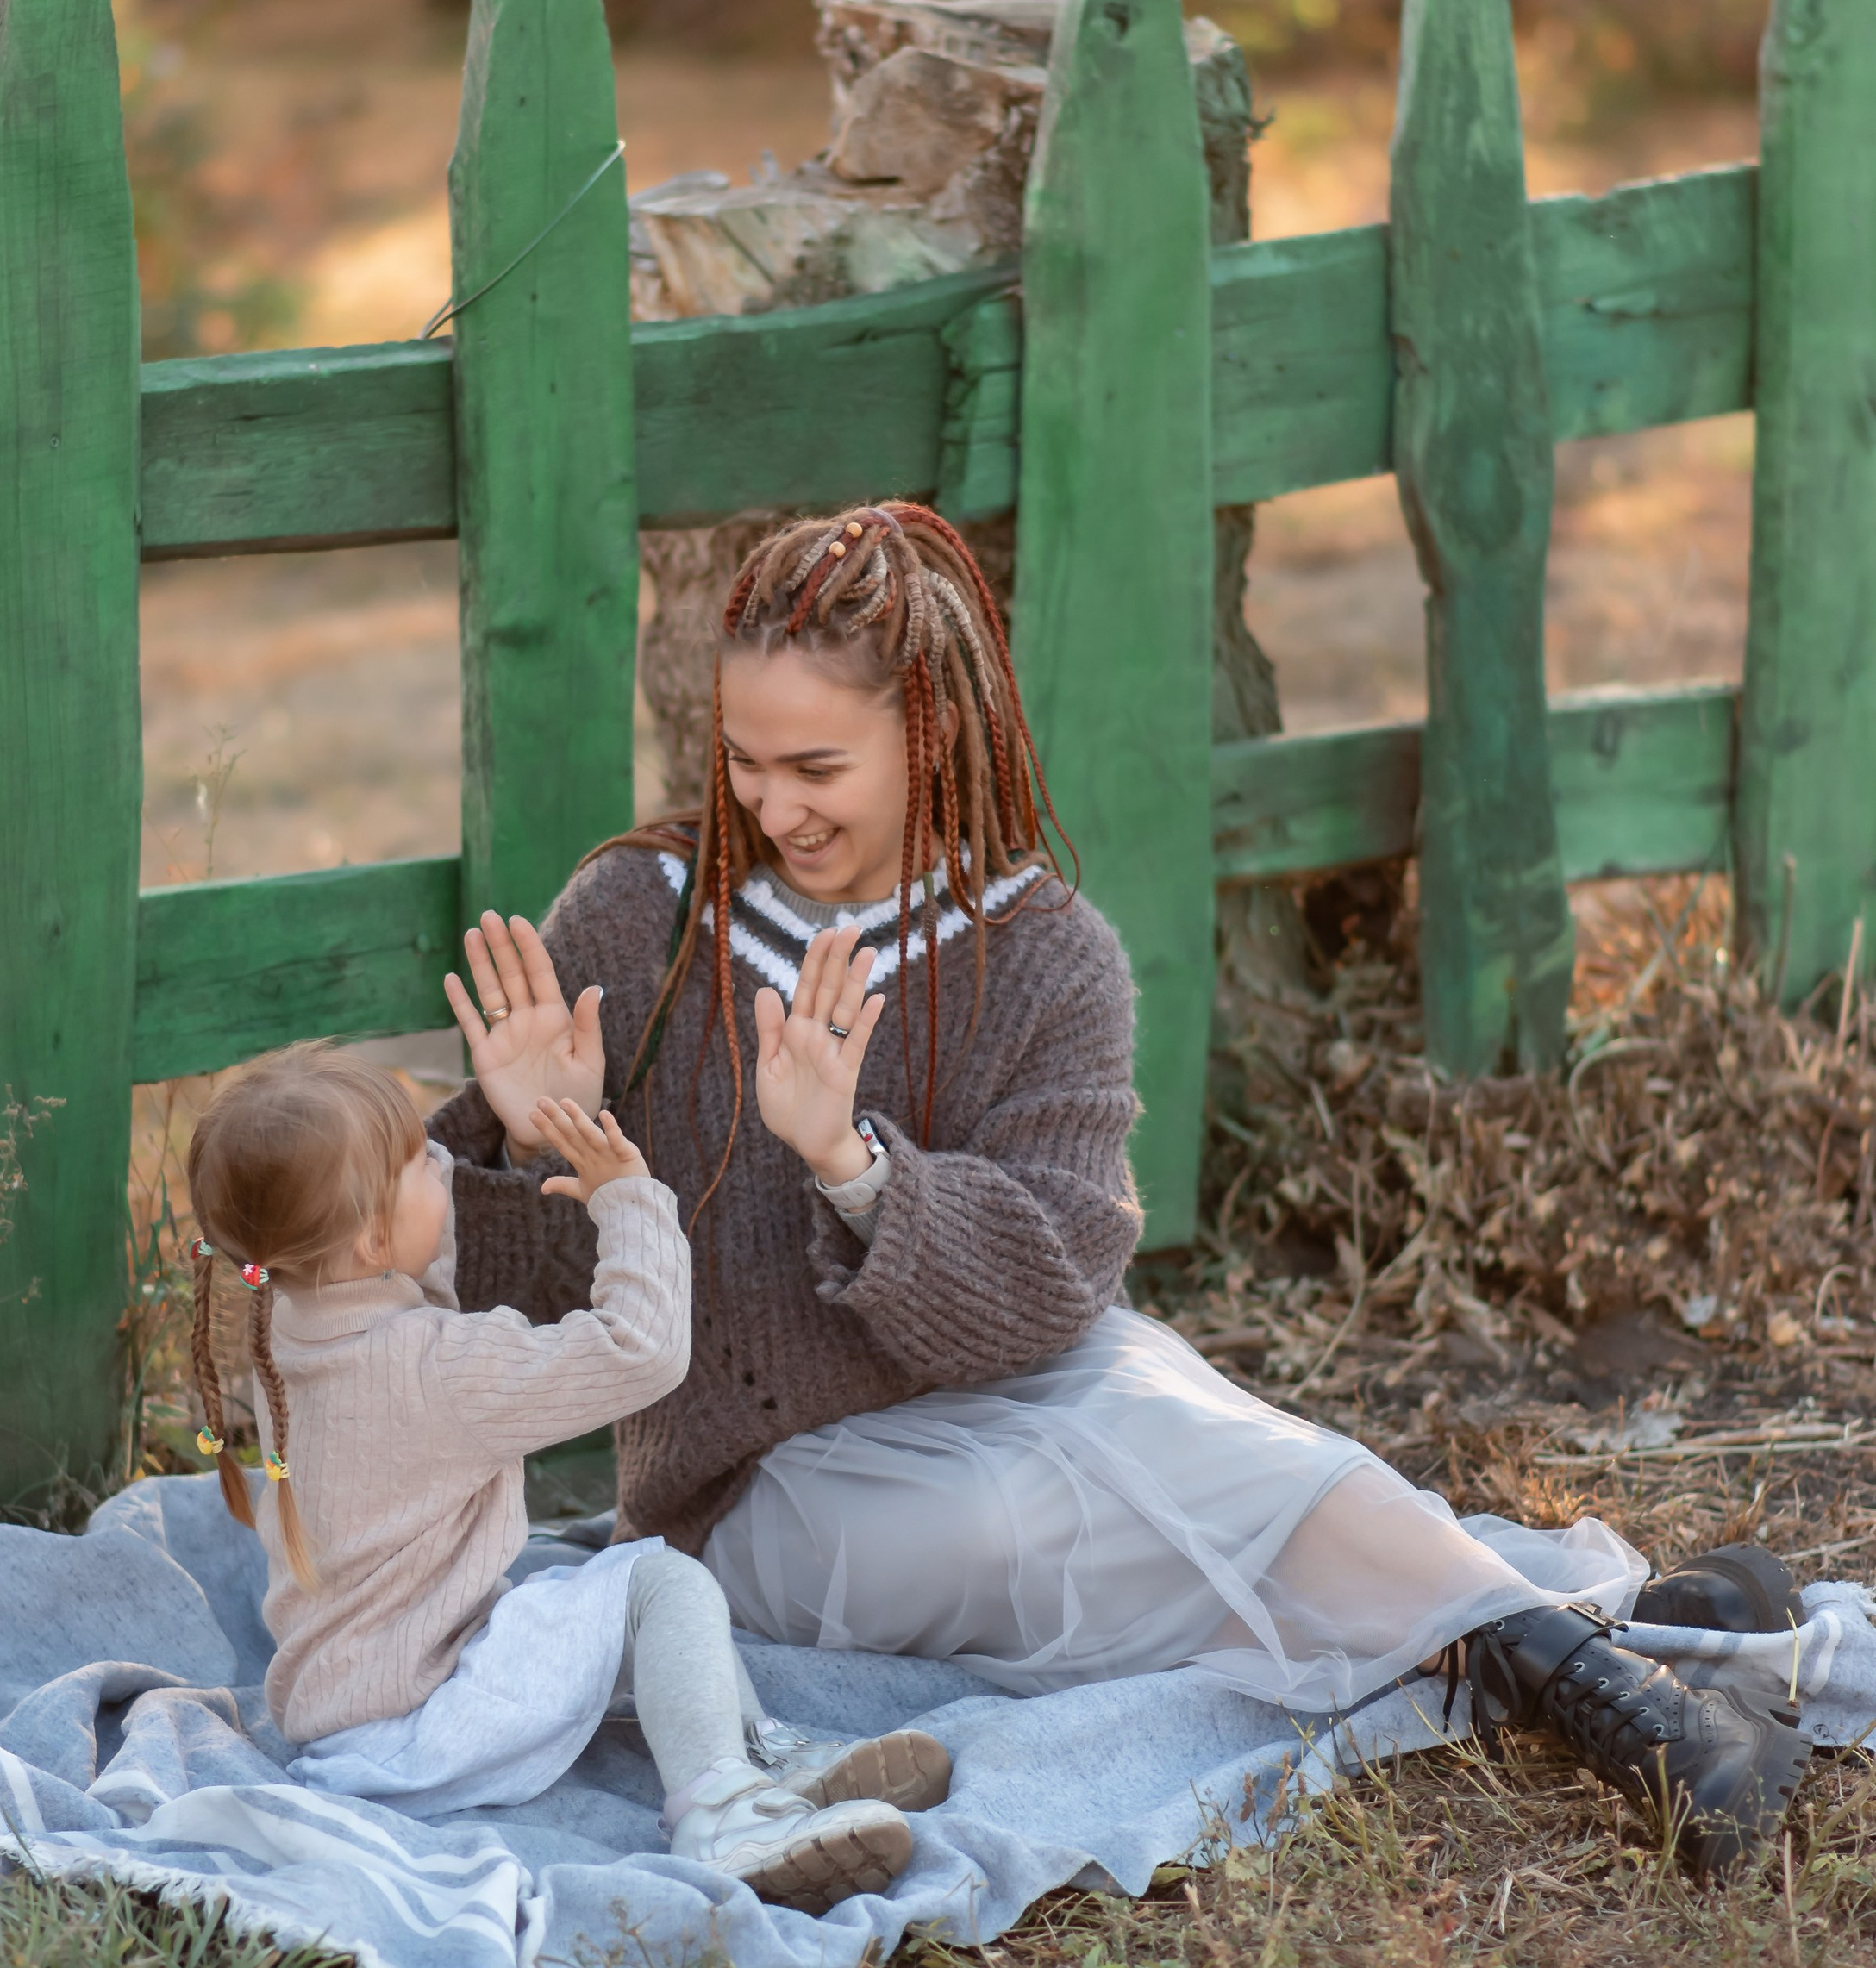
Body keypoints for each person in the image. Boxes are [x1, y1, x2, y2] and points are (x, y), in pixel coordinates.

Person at [435, 499, 1810, 1878]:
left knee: (1177, 1420)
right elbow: (533, 1312)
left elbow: (1052, 1293)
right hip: (757, 1500)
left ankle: (1632, 1712)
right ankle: (1641, 1665)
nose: (772, 806)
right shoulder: (633, 922)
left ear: (934, 729)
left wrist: (852, 1168)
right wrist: (528, 1140)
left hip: (1025, 1391)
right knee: (1056, 1503)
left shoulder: (1047, 955)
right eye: (742, 762)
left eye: (816, 765)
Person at [184, 1040, 952, 1915]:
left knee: (561, 1571)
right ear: (368, 1235)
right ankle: (724, 1813)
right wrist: (630, 1203)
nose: (441, 1158)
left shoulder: (290, 1326)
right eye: (415, 1160)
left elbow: (414, 1274)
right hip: (424, 1725)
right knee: (658, 1583)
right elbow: (641, 1350)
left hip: (346, 1715)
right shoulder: (438, 1369)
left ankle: (762, 1759)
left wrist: (474, 1147)